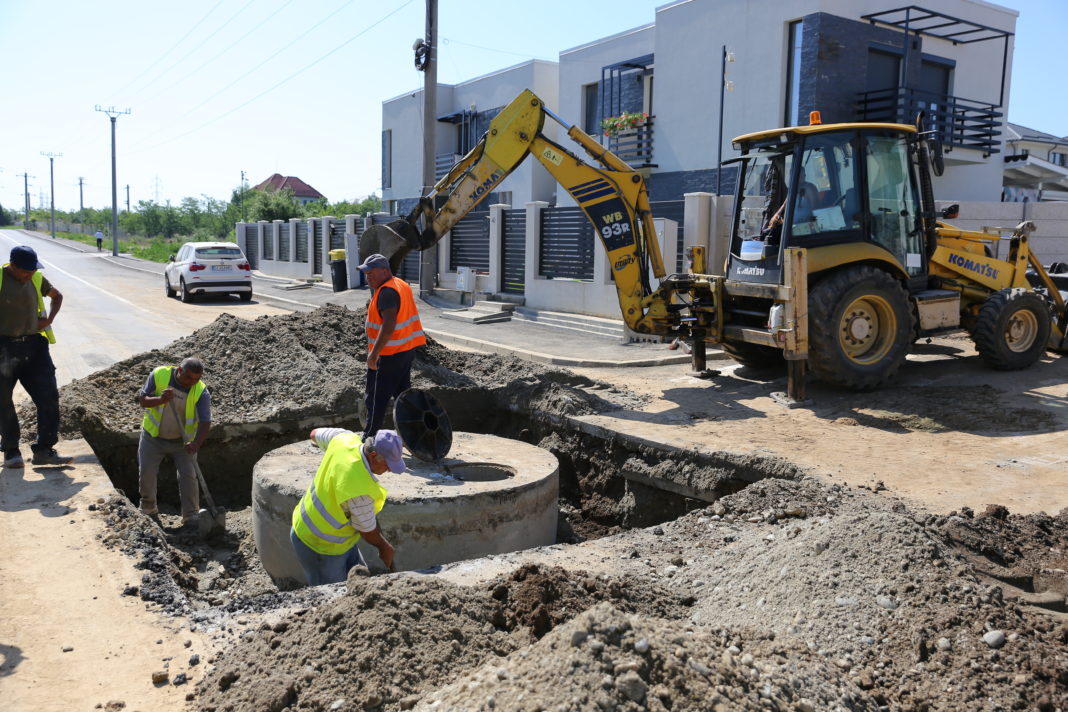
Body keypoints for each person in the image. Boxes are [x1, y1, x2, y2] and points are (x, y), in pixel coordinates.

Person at [290, 427, 405, 585]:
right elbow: (368, 531)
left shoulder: (344, 438)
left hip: (339, 538)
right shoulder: (358, 491)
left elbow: (314, 434)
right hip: (320, 544)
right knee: (333, 599)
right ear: (373, 456)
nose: (390, 469)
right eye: (388, 465)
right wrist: (384, 548)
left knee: (360, 583)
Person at [0, 246, 70, 469]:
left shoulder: (37, 278)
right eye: (24, 271)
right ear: (12, 265)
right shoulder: (1, 278)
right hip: (3, 347)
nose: (29, 275)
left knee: (48, 397)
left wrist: (49, 319)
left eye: (32, 271)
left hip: (35, 347)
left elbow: (57, 296)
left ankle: (44, 450)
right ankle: (11, 451)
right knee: (3, 401)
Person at [136, 357, 212, 525]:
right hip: (153, 438)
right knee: (147, 472)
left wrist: (196, 443)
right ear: (179, 370)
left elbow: (205, 421)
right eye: (188, 377)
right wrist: (161, 400)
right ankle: (148, 509)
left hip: (182, 443)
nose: (191, 382)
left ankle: (191, 516)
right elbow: (142, 400)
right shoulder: (159, 375)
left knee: (189, 476)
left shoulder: (201, 391)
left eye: (196, 379)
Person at [359, 253, 426, 439]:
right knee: (402, 394)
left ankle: (369, 437)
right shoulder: (400, 284)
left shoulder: (387, 292)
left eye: (371, 273)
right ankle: (412, 433)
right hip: (405, 349)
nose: (368, 277)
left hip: (388, 354)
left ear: (385, 271)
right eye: (366, 273)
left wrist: (374, 354)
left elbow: (388, 326)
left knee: (376, 397)